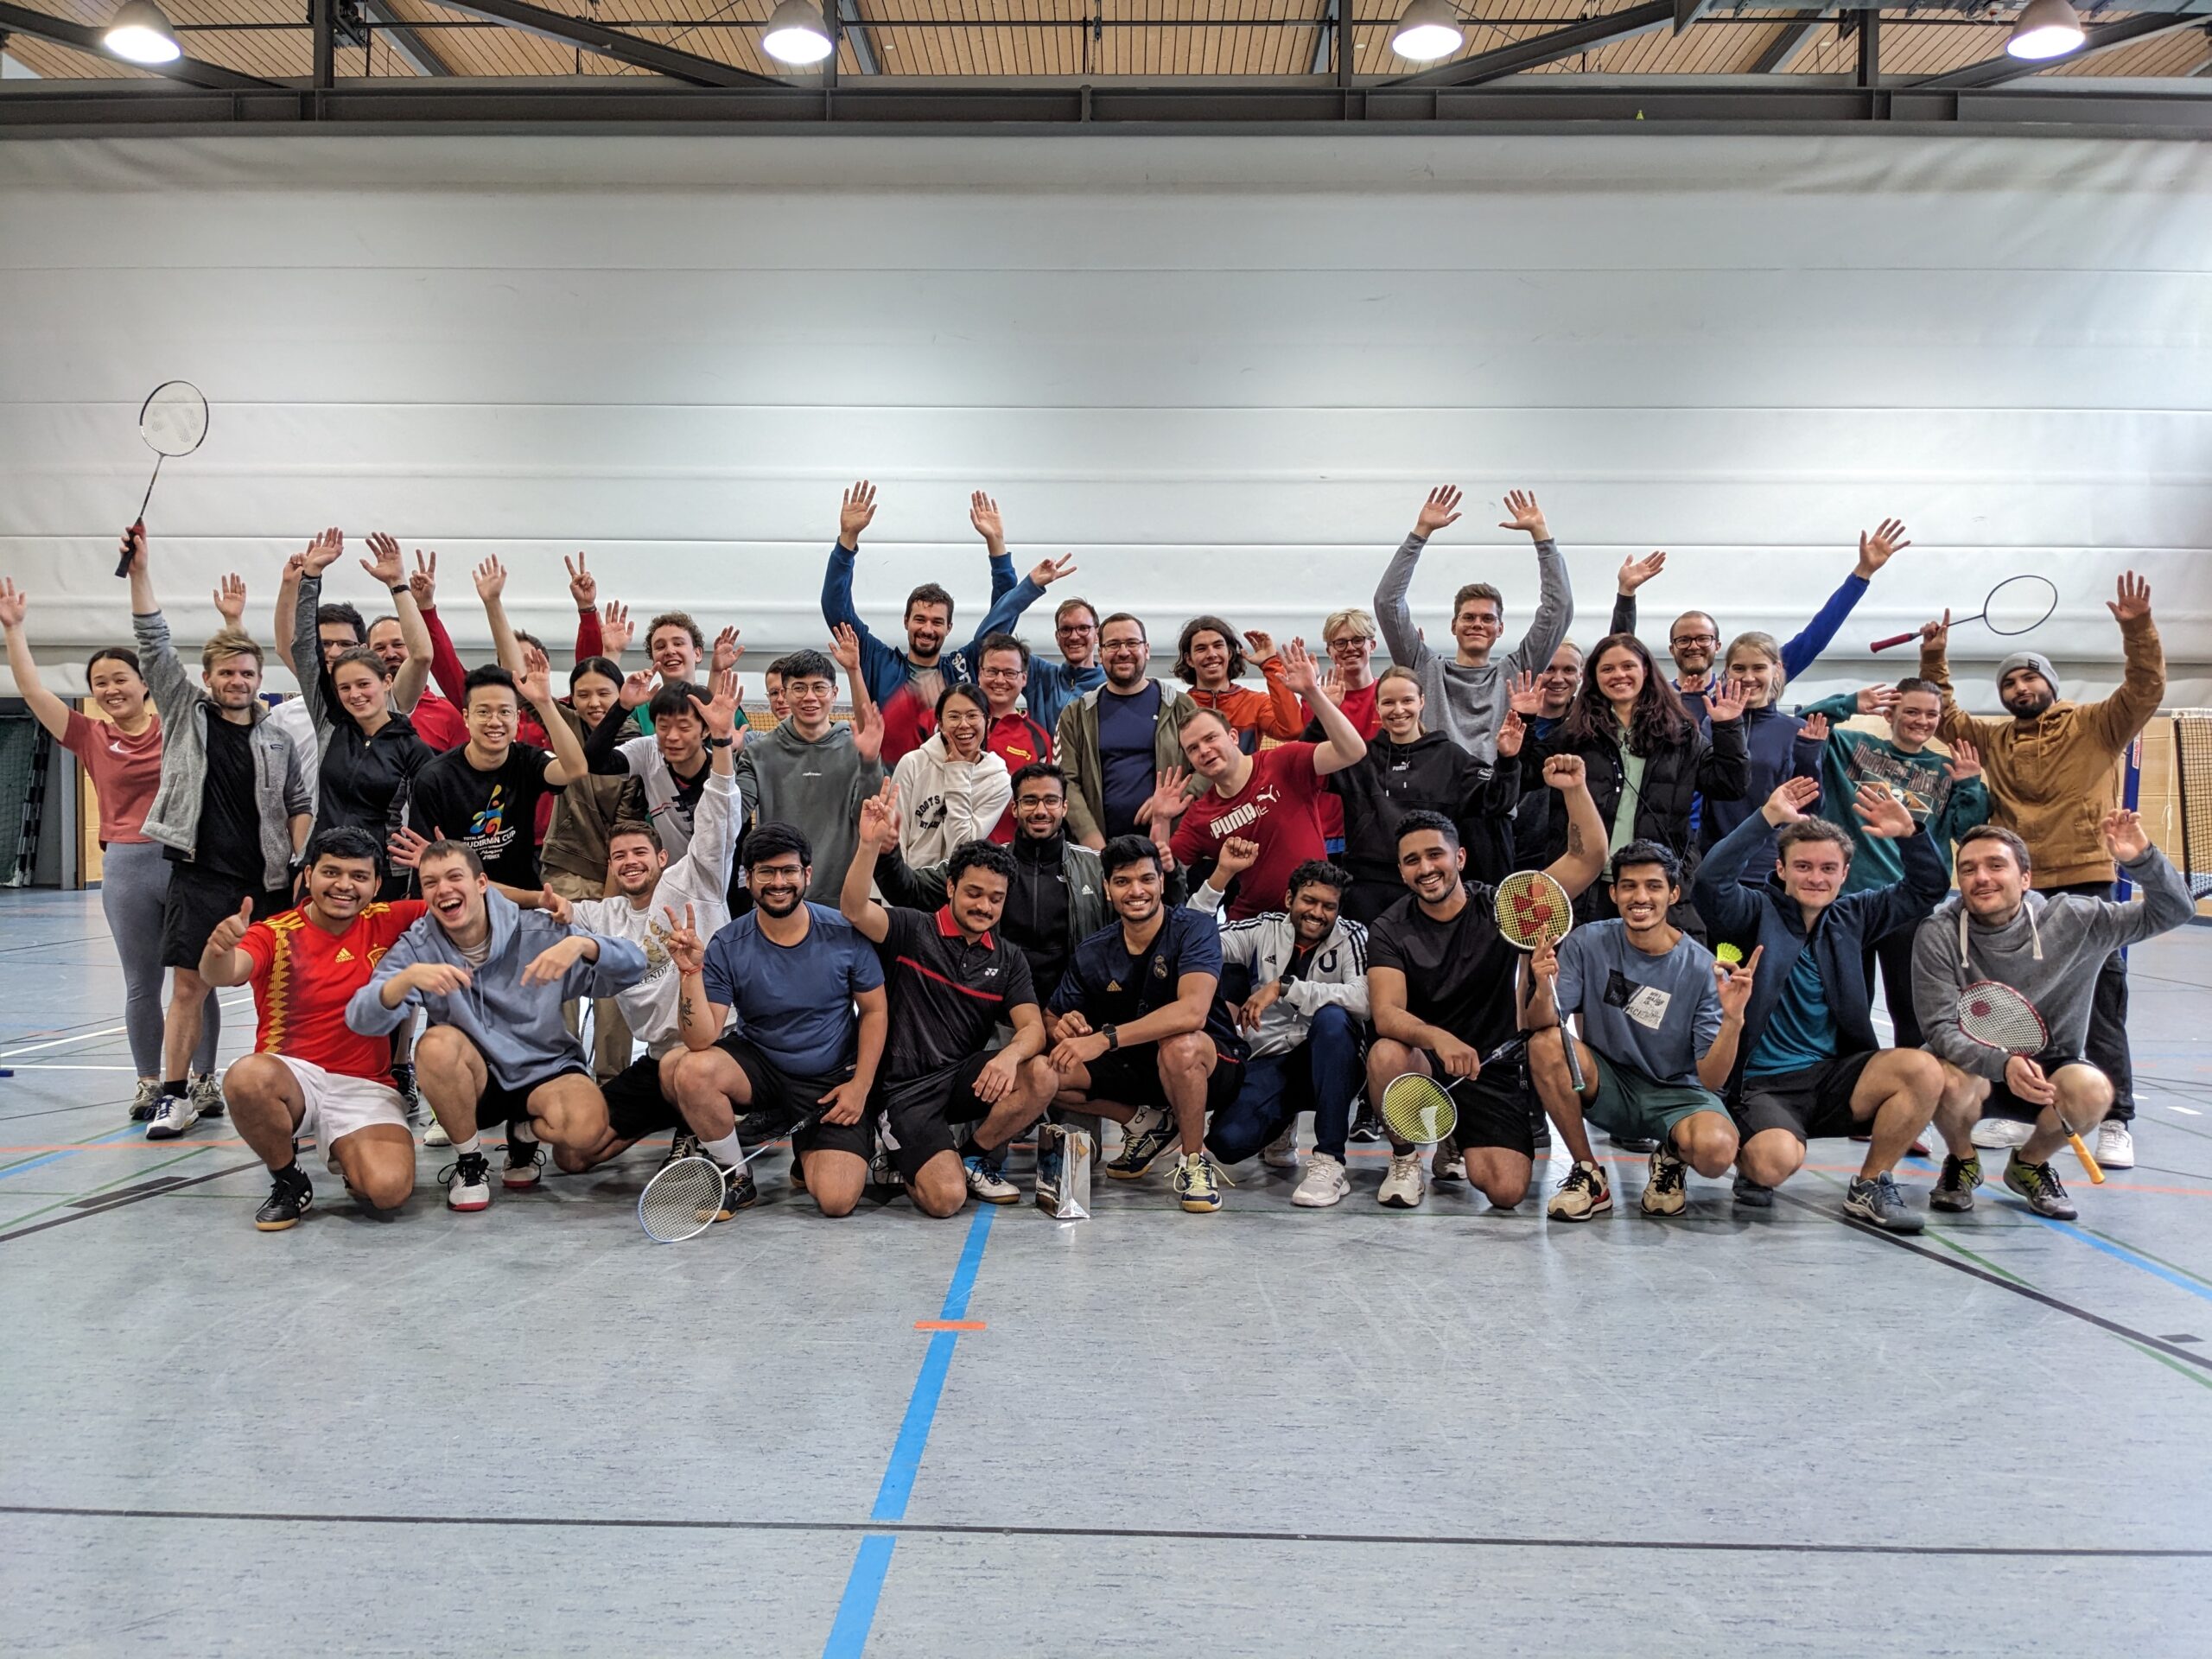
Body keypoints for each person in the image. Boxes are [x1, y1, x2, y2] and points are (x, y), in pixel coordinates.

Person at [1916, 574, 2164, 1170]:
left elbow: (2146, 687)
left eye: (2029, 677)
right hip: (2016, 889)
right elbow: (1947, 718)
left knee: (2101, 999)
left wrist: (2137, 628)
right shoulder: (1995, 740)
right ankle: (2016, 1106)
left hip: (2083, 878)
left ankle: (2116, 1116)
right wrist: (1933, 657)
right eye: (2008, 681)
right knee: (2013, 1007)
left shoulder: (2097, 724)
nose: (2019, 687)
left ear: (2050, 684)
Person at [1692, 777, 1958, 1231]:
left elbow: (1926, 889)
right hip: (1765, 1085)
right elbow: (1710, 882)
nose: (1816, 878)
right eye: (1803, 866)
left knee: (1924, 1069)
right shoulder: (1752, 912)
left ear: (1844, 874)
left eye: (1828, 868)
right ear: (1781, 869)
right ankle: (1753, 1152)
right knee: (1772, 1164)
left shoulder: (1855, 914)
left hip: (1836, 1077)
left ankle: (1871, 1183)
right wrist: (1766, 818)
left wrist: (1911, 835)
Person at [0, 579, 219, 1121]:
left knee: (197, 979)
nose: (111, 688)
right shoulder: (90, 736)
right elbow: (33, 692)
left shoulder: (179, 726)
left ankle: (204, 1080)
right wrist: (15, 631)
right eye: (100, 682)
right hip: (126, 867)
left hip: (185, 863)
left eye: (121, 678)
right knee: (141, 983)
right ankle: (148, 1082)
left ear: (145, 683)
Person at [123, 526, 313, 1141]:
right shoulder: (186, 715)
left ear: (260, 677)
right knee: (188, 986)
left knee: (277, 991)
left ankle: (287, 1090)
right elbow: (153, 643)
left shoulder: (278, 738)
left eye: (248, 672)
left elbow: (297, 802)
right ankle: (174, 1096)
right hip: (200, 877)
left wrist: (300, 854)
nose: (239, 681)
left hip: (267, 883)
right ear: (208, 678)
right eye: (228, 672)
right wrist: (140, 571)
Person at [1915, 816, 2192, 1221]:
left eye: (1996, 865)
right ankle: (1962, 1159)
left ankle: (2029, 1164)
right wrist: (2002, 1064)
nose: (1982, 878)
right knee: (1939, 1075)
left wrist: (2142, 860)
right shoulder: (1938, 932)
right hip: (1972, 1064)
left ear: (2026, 878)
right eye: (1969, 869)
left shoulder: (2077, 919)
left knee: (2094, 1090)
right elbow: (1938, 1027)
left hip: (2050, 1071)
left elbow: (2175, 910)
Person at [346, 840, 646, 1210]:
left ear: (482, 883)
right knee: (435, 1045)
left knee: (588, 1127)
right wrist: (403, 981)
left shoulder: (537, 931)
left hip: (545, 1068)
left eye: (454, 877)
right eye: (431, 883)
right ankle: (470, 1162)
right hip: (476, 1081)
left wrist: (584, 946)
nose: (443, 890)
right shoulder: (417, 947)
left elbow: (635, 966)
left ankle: (524, 1133)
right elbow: (361, 1019)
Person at [1363, 762, 1607, 1211]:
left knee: (1505, 1191)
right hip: (1428, 1061)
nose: (1425, 868)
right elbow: (1387, 1013)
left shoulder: (1503, 906)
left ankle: (1455, 1138)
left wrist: (1575, 790)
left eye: (1435, 855)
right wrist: (1439, 1038)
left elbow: (1587, 859)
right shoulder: (1389, 928)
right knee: (1386, 1053)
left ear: (1459, 858)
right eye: (1412, 861)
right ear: (1401, 871)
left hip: (1492, 1066)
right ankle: (1405, 1158)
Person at [544, 674, 745, 1188]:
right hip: (657, 1063)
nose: (630, 862)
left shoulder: (693, 880)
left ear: (661, 856)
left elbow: (720, 816)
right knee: (571, 1154)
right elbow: (556, 914)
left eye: (640, 852)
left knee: (685, 1066)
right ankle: (676, 1115)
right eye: (620, 856)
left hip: (711, 1053)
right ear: (611, 866)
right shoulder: (604, 915)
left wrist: (722, 743)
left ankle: (718, 1121)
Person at [194, 828, 424, 1228]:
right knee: (246, 1077)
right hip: (293, 1078)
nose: (344, 886)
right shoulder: (274, 933)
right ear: (308, 875)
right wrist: (217, 951)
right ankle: (288, 1178)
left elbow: (470, 901)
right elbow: (225, 972)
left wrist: (437, 868)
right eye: (331, 872)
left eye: (358, 876)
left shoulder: (389, 920)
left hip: (364, 1084)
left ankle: (349, 1152)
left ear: (376, 885)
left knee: (388, 1192)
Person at [842, 796, 1058, 1211]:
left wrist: (1009, 1057)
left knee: (1042, 1074)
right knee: (946, 1199)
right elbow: (853, 909)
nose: (984, 906)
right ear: (951, 887)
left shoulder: (1008, 959)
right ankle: (900, 1154)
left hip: (961, 1079)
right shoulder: (910, 929)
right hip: (904, 1091)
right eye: (974, 893)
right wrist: (869, 845)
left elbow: (1032, 1028)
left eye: (995, 898)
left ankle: (972, 1156)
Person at [665, 823, 888, 1219]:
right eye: (766, 872)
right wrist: (690, 974)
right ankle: (735, 1175)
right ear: (748, 878)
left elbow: (874, 1011)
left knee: (837, 1200)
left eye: (788, 871)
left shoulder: (844, 933)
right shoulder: (728, 943)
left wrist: (860, 1087)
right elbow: (701, 1039)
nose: (778, 882)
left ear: (807, 874)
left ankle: (807, 1145)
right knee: (686, 1068)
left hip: (828, 1077)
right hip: (762, 1068)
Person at [1522, 842, 1754, 1222]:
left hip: (1677, 1095)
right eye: (1629, 886)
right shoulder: (1587, 941)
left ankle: (1671, 1157)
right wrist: (1543, 986)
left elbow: (1711, 1080)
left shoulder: (1702, 968)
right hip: (1610, 1084)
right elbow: (1540, 1024)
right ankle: (1588, 1172)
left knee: (1717, 1153)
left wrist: (1733, 1020)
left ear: (1673, 894)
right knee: (1545, 1044)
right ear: (1614, 893)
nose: (1640, 897)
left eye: (1653, 886)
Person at [1046, 836, 1248, 1213]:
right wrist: (1063, 1026)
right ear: (1107, 888)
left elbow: (1192, 1013)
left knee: (1180, 1045)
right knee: (1047, 1072)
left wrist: (1104, 1039)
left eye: (1146, 879)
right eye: (1123, 881)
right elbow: (1052, 1014)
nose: (1136, 891)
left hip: (1212, 1062)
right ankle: (1146, 1123)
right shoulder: (1094, 950)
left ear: (1161, 882)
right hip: (1137, 1065)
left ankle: (1194, 1161)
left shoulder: (1194, 928)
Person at [1795, 678, 1989, 1046]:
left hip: (1908, 905)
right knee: (1847, 1004)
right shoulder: (1851, 746)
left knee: (1912, 1007)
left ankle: (1914, 1073)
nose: (1922, 721)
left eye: (1931, 714)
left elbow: (1969, 831)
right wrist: (1850, 703)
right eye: (1912, 711)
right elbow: (1803, 723)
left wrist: (1970, 784)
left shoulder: (1947, 770)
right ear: (1890, 714)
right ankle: (1854, 1073)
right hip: (1849, 902)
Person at [821, 483, 1053, 764]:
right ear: (906, 621)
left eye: (937, 622)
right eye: (920, 619)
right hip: (890, 784)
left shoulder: (962, 667)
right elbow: (836, 607)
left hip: (954, 784)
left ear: (949, 627)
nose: (928, 629)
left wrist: (997, 545)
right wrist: (847, 540)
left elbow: (1002, 615)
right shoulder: (878, 661)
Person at [1526, 632, 1748, 925]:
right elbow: (1524, 776)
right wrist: (1525, 721)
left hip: (1654, 884)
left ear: (1645, 670)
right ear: (1594, 677)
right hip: (1585, 885)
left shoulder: (1681, 733)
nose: (1618, 675)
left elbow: (1729, 785)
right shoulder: (1574, 733)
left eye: (1627, 666)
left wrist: (1728, 728)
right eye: (1607, 668)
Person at [1190, 848, 1370, 1209]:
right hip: (1270, 1059)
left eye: (1329, 906)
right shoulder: (1264, 928)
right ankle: (1282, 1122)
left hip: (1333, 1060)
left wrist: (1285, 987)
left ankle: (1330, 1161)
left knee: (1333, 1020)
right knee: (1227, 1142)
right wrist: (1221, 875)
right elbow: (1194, 936)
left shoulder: (1352, 936)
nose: (1318, 913)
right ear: (1290, 899)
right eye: (1309, 901)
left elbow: (1364, 999)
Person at [1154, 639, 1367, 919]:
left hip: (1314, 917)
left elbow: (1353, 751)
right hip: (1251, 926)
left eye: (1211, 738)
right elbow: (1159, 871)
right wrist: (1161, 819)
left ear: (1233, 736)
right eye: (1193, 748)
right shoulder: (1200, 816)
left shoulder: (1283, 761)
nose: (1204, 750)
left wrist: (1313, 693)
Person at [1617, 518, 1912, 721]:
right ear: (1671, 649)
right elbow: (1618, 652)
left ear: (1717, 645)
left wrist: (1861, 575)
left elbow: (1814, 639)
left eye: (1703, 638)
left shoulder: (1744, 685)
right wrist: (1626, 595)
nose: (1694, 646)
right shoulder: (1658, 695)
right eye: (1684, 640)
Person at [1373, 484, 1573, 763]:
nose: (1477, 624)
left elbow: (1559, 609)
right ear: (1453, 626)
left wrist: (1541, 536)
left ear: (1500, 629)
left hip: (1496, 788)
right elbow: (1387, 603)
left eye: (1488, 618)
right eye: (1468, 617)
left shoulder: (1516, 672)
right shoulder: (1425, 668)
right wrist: (1420, 533)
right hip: (1436, 789)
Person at [290, 536, 435, 897]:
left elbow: (421, 655)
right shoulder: (330, 722)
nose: (355, 695)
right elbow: (303, 648)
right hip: (323, 869)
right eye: (345, 688)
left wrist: (398, 584)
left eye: (364, 685)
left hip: (383, 877)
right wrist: (310, 578)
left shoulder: (411, 745)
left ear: (387, 682)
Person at [1326, 665, 1520, 923]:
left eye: (1407, 700)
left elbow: (1498, 802)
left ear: (1422, 702)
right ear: (1377, 707)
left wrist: (1507, 760)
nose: (1398, 710)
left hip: (1429, 884)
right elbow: (1307, 768)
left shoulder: (1450, 757)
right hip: (1367, 887)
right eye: (1388, 702)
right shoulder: (1360, 757)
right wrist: (1323, 713)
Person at [1694, 630, 1883, 885]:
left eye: (1758, 667)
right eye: (1739, 668)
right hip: (1713, 861)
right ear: (1727, 672)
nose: (1748, 677)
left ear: (1777, 670)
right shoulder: (1710, 725)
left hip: (1768, 868)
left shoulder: (1797, 730)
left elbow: (1809, 810)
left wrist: (1807, 757)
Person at [538, 652, 648, 1082]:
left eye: (604, 693)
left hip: (613, 874)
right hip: (563, 869)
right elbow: (529, 691)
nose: (594, 702)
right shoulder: (566, 725)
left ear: (621, 694)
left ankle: (612, 1077)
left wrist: (611, 896)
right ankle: (561, 1072)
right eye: (583, 694)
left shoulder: (636, 747)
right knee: (558, 973)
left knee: (613, 979)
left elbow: (625, 827)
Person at [404, 650, 592, 893]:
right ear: (466, 717)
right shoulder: (434, 778)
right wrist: (531, 899)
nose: (495, 721)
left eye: (504, 712)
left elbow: (576, 769)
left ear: (517, 718)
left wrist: (544, 703)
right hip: (459, 896)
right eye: (483, 712)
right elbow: (431, 870)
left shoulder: (526, 760)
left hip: (521, 894)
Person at [734, 646, 887, 901]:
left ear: (834, 693)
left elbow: (866, 817)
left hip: (843, 901)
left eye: (819, 687)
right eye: (799, 688)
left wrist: (870, 762)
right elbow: (730, 817)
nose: (810, 697)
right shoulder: (758, 753)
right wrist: (721, 746)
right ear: (785, 694)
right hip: (779, 898)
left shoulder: (857, 748)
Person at [1055, 613, 1200, 849]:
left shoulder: (1180, 707)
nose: (1123, 652)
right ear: (1101, 653)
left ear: (1147, 650)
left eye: (1132, 643)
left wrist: (1178, 797)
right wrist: (1090, 839)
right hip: (1099, 851)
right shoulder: (1076, 715)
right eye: (1113, 644)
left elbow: (1207, 769)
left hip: (1168, 847)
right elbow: (1066, 781)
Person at [889, 683, 1013, 867]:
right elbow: (895, 838)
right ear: (940, 723)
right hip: (908, 879)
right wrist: (900, 882)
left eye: (972, 716)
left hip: (958, 880)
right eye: (954, 716)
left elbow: (961, 848)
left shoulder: (999, 781)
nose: (963, 724)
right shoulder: (913, 764)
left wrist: (957, 772)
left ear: (987, 722)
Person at [972, 632, 1054, 842]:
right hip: (953, 851)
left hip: (1011, 853)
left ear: (1024, 678)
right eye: (992, 671)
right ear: (980, 674)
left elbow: (1044, 803)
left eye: (1009, 673)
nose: (1000, 680)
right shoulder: (954, 726)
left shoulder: (1039, 739)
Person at [1172, 616, 1303, 745]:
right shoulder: (1177, 708)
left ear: (1229, 653)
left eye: (1218, 646)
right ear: (1189, 660)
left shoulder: (1255, 703)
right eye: (1201, 649)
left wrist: (1271, 664)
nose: (1211, 654)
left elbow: (1291, 730)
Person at [1019, 595, 1108, 736]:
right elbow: (991, 643)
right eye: (1066, 629)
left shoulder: (1110, 686)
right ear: (1057, 637)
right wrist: (1029, 587)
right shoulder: (1040, 675)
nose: (1074, 637)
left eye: (1083, 628)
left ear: (1097, 635)